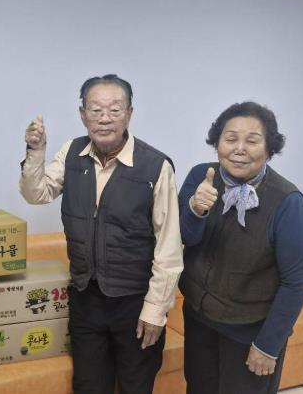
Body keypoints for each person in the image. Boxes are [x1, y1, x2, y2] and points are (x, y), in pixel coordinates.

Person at [19, 74, 184, 394]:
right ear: (83, 115)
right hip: (86, 297)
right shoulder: (72, 153)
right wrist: (35, 151)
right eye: (95, 110)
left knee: (136, 385)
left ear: (129, 113)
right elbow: (36, 193)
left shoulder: (155, 166)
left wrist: (155, 309)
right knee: (89, 385)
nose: (105, 118)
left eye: (114, 110)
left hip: (136, 301)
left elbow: (169, 246)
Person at [178, 101, 303, 394]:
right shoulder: (201, 176)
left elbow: (297, 281)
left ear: (269, 149)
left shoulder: (288, 202)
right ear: (218, 143)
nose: (239, 149)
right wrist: (196, 209)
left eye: (252, 141)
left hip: (250, 330)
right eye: (231, 138)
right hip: (199, 317)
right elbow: (185, 237)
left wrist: (268, 345)